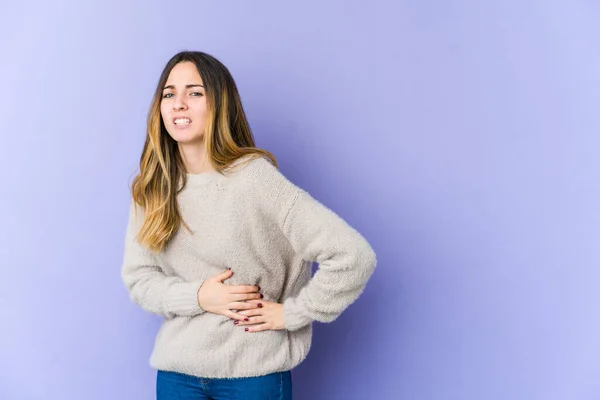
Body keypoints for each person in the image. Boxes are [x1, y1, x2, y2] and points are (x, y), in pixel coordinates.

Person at [120, 50, 377, 400]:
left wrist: (292, 314)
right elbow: (140, 279)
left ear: (219, 105)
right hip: (177, 375)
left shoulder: (254, 179)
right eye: (169, 94)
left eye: (194, 92)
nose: (179, 103)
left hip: (253, 377)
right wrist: (198, 296)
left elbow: (353, 256)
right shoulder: (152, 187)